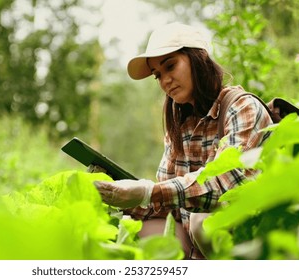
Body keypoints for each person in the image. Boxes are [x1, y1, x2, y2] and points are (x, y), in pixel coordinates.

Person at [93, 22, 273, 259]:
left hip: (252, 237)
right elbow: (170, 206)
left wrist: (147, 191)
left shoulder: (242, 108)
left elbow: (221, 188)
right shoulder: (181, 127)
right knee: (132, 226)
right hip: (197, 246)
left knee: (202, 221)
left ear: (198, 59)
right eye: (158, 75)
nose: (165, 80)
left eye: (170, 66)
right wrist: (116, 193)